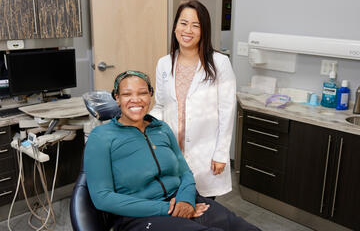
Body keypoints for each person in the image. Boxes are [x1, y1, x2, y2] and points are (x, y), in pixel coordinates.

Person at [84, 71, 260, 231]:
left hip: (181, 199)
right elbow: (102, 198)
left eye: (142, 93)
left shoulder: (161, 128)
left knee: (240, 226)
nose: (135, 99)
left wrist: (186, 200)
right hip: (139, 214)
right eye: (127, 94)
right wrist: (169, 209)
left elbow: (184, 172)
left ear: (150, 95)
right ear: (117, 98)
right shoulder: (101, 137)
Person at [150, 0, 236, 198]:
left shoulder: (219, 63)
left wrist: (221, 153)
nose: (188, 30)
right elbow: (161, 105)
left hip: (204, 153)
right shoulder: (164, 63)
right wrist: (145, 122)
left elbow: (227, 112)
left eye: (195, 25)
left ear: (204, 30)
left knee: (203, 208)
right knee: (175, 208)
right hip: (171, 151)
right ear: (175, 27)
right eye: (183, 23)